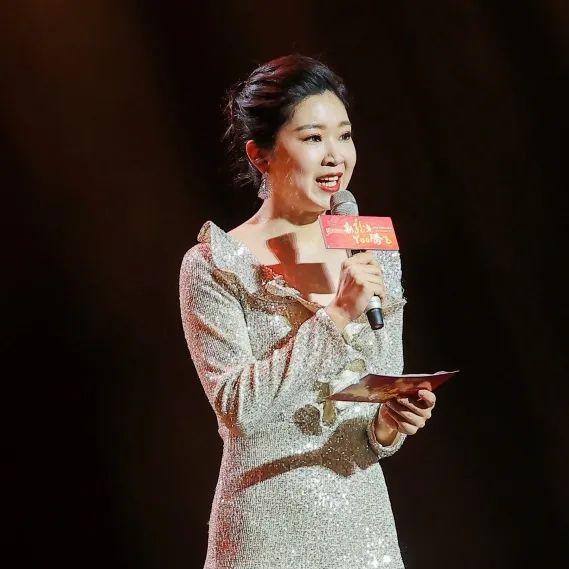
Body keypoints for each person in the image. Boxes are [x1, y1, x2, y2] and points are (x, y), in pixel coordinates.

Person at [179, 54, 437, 569]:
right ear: (261, 155)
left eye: (345, 135)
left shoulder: (371, 249)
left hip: (363, 529)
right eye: (313, 137)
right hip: (267, 531)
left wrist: (391, 421)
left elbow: (374, 401)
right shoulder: (215, 264)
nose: (335, 156)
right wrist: (336, 315)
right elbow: (238, 408)